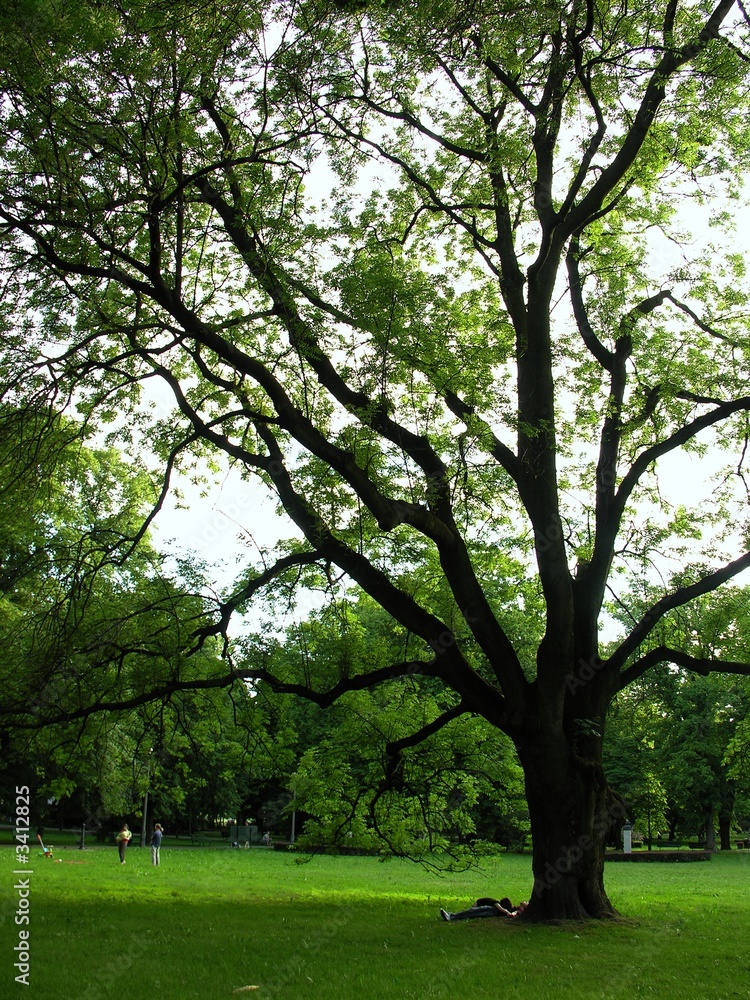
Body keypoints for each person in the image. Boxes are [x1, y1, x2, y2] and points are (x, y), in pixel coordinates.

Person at [440, 897, 528, 922]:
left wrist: (506, 912)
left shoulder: (521, 911)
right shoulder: (519, 909)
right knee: (472, 912)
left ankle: (452, 917)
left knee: (472, 912)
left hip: (494, 911)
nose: (525, 902)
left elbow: (512, 914)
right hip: (494, 909)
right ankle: (452, 916)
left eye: (526, 902)